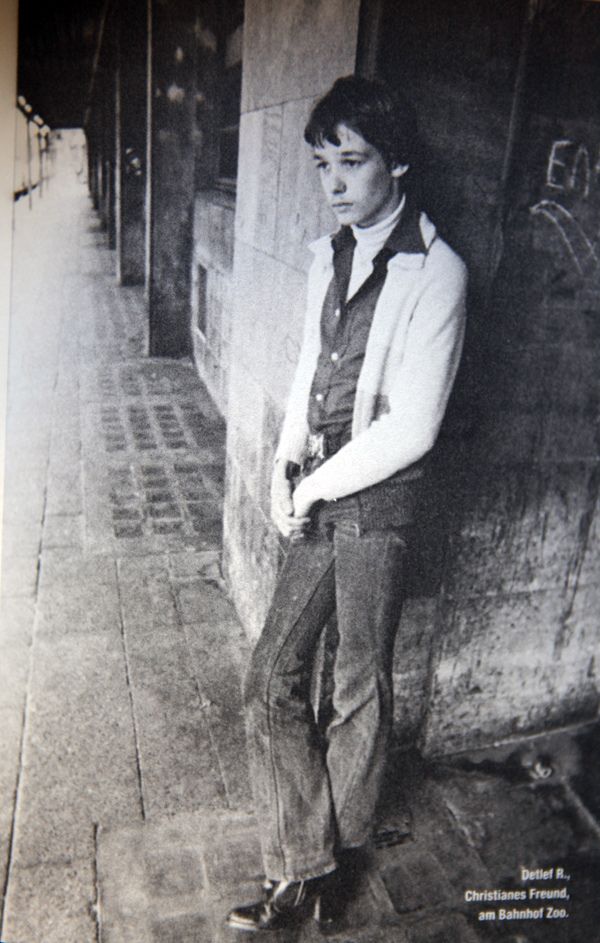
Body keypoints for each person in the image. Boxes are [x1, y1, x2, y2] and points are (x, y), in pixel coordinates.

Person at [227, 74, 467, 933]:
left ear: (397, 163)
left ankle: (334, 859)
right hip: (323, 486)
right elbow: (308, 368)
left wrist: (318, 484)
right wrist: (283, 462)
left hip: (381, 500)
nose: (332, 182)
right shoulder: (327, 252)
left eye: (352, 161)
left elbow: (416, 427)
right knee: (274, 677)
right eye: (322, 162)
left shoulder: (436, 272)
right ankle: (307, 860)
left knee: (358, 679)